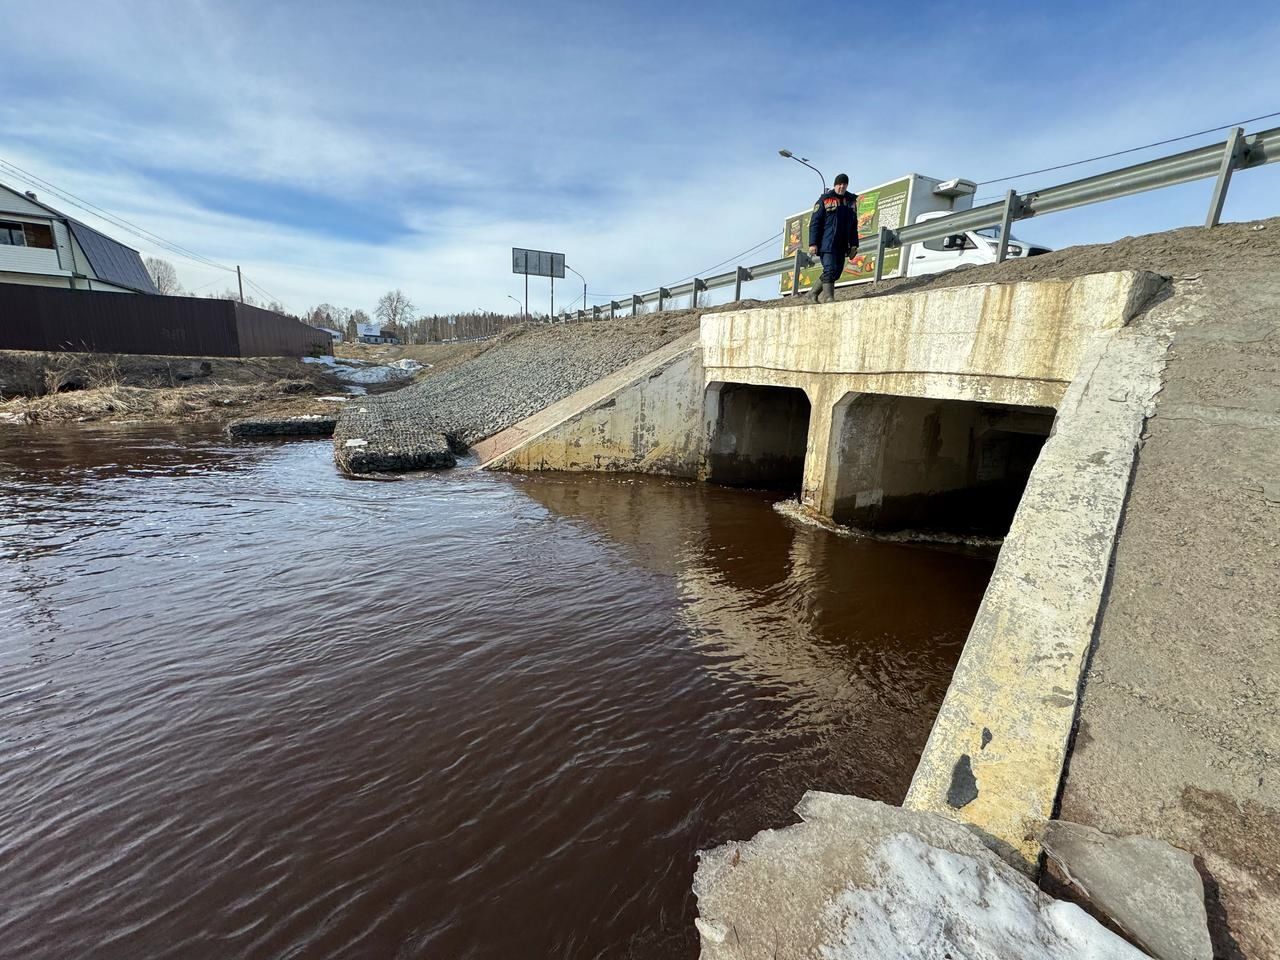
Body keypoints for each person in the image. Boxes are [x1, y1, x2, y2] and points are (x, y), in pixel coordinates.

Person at [807, 173, 859, 303]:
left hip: (842, 245)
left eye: (844, 184)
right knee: (829, 269)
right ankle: (829, 298)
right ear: (835, 185)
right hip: (827, 243)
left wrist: (854, 244)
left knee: (836, 273)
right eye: (839, 184)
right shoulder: (825, 200)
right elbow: (815, 222)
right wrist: (813, 243)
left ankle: (812, 293)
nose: (841, 187)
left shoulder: (851, 202)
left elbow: (854, 225)